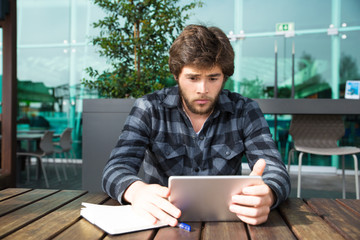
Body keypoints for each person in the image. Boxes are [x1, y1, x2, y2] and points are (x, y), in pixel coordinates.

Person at [102, 24, 291, 226]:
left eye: (213, 78)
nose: (203, 89)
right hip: (161, 223)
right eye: (193, 78)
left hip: (228, 224)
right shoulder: (148, 108)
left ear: (224, 77)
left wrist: (267, 195)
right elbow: (115, 168)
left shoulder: (245, 110)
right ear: (176, 75)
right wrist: (136, 191)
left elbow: (276, 171)